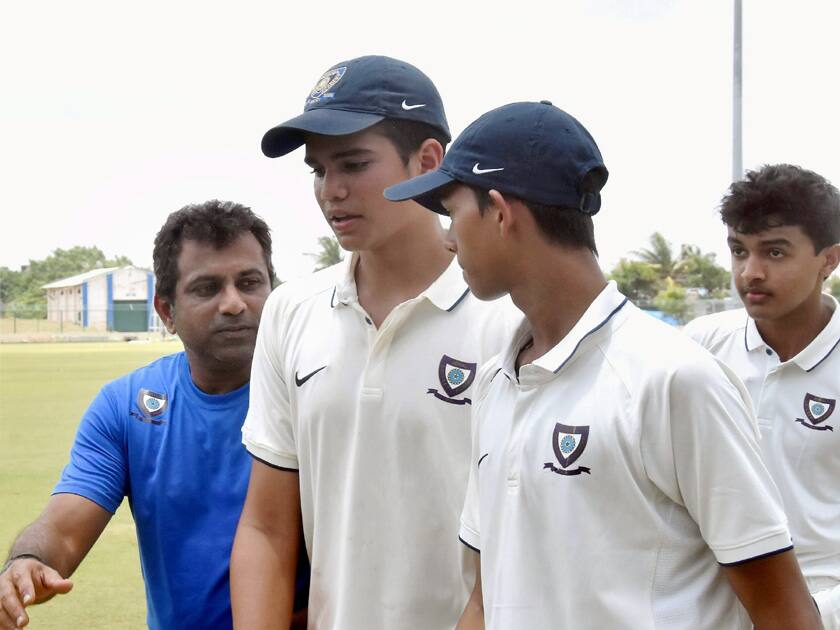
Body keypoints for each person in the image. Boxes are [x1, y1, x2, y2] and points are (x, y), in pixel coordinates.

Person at [384, 101, 822, 629]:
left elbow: (782, 608)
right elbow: (485, 597)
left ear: (500, 212)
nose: (449, 238)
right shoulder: (497, 381)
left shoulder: (671, 378)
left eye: (452, 213)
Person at [231, 55, 513, 629]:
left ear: (428, 162)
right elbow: (266, 527)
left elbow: (527, 544)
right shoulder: (291, 311)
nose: (331, 191)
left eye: (354, 164)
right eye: (318, 170)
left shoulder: (507, 320)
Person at [0, 200, 309, 630]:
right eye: (207, 288)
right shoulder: (125, 406)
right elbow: (64, 528)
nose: (234, 303)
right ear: (166, 312)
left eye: (250, 282)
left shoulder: (316, 396)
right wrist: (26, 561)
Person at [684, 164, 840, 630]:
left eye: (774, 252)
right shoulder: (699, 348)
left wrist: (818, 614)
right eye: (739, 251)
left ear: (828, 260)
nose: (750, 272)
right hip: (713, 609)